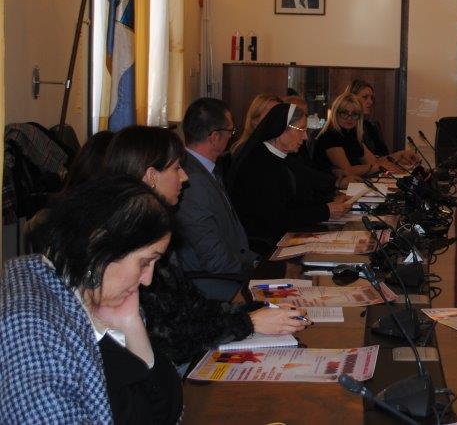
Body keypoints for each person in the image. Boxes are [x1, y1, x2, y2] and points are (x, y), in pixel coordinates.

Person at [106, 125, 309, 365]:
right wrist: (250, 322)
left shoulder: (150, 230)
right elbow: (167, 341)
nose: (184, 177)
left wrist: (261, 310)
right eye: (176, 168)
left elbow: (193, 309)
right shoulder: (128, 243)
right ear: (151, 176)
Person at [0, 175, 181, 423]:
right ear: (99, 244)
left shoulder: (73, 291)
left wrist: (131, 324)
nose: (148, 279)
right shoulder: (31, 330)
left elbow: (163, 410)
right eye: (145, 262)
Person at [228, 103, 353, 244]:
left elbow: (294, 202)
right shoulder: (258, 163)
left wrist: (330, 202)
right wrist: (326, 211)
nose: (305, 137)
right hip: (265, 243)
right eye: (301, 130)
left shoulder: (281, 157)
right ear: (282, 128)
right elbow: (275, 217)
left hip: (283, 234)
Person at [177, 97, 260, 301]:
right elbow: (215, 260)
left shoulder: (206, 169)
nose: (232, 137)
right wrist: (258, 270)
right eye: (231, 132)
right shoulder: (192, 181)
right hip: (217, 286)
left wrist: (259, 261)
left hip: (231, 273)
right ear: (215, 137)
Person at [313, 93, 404, 180]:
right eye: (344, 113)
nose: (349, 118)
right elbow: (346, 171)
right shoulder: (330, 136)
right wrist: (378, 167)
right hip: (328, 189)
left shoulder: (352, 134)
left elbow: (373, 162)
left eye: (354, 114)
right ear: (335, 114)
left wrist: (398, 157)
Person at [344, 79, 418, 165]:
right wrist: (399, 155)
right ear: (351, 99)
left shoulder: (372, 127)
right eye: (365, 97)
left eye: (372, 98)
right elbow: (370, 162)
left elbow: (383, 156)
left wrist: (399, 160)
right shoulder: (347, 129)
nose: (370, 102)